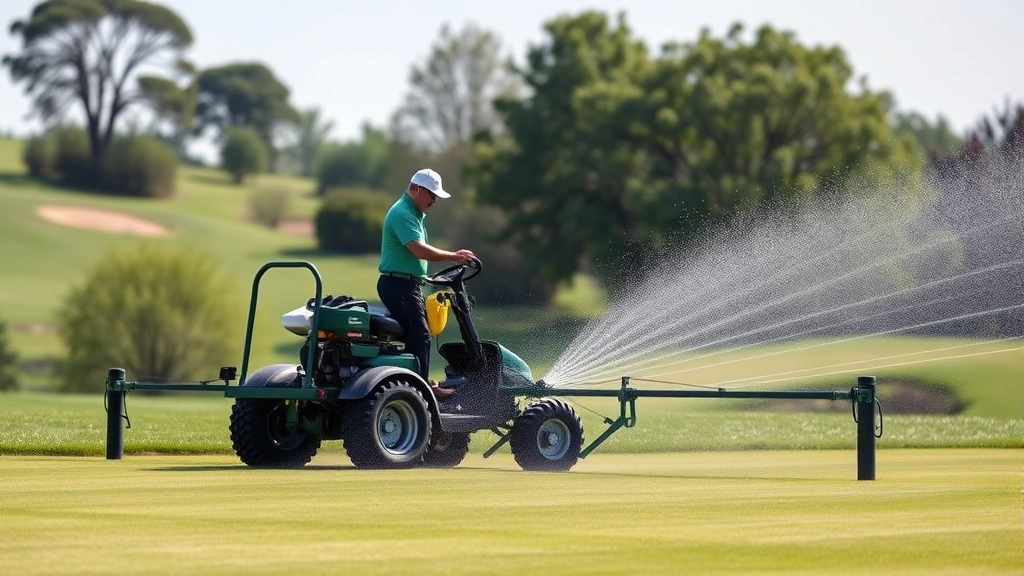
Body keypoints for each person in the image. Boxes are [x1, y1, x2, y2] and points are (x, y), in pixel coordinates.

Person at [377, 168, 475, 398]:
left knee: (416, 335)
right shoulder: (403, 213)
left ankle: (415, 383)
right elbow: (419, 251)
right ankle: (424, 391)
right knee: (420, 334)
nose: (434, 200)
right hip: (398, 286)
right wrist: (454, 256)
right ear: (417, 189)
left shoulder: (413, 214)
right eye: (432, 195)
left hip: (407, 285)